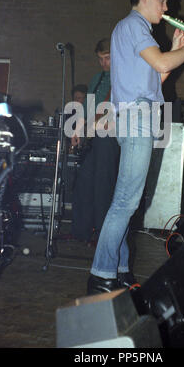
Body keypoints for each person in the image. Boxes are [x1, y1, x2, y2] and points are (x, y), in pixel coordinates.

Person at [87, 0, 184, 294]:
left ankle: (121, 268)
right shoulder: (135, 26)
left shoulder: (135, 31)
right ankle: (101, 274)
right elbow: (160, 64)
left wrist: (175, 49)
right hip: (137, 118)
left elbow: (158, 76)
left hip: (138, 115)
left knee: (127, 200)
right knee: (125, 201)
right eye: (162, 0)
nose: (167, 7)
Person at [70, 39, 120, 244]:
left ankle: (103, 235)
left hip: (110, 138)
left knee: (103, 186)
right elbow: (87, 108)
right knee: (83, 183)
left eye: (107, 58)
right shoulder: (97, 78)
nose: (103, 63)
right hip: (93, 138)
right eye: (100, 59)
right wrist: (77, 128)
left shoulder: (123, 78)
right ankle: (80, 233)